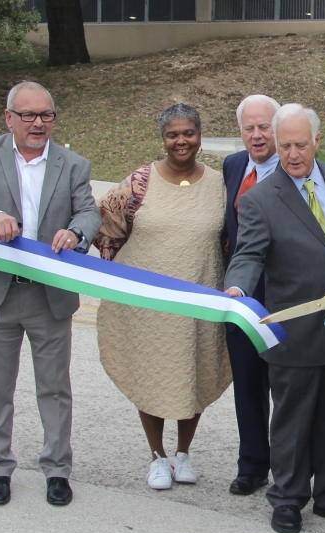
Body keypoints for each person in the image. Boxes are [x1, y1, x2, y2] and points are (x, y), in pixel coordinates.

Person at [224, 103, 325, 533]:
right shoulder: (260, 198)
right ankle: (288, 497)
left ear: (317, 140)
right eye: (285, 146)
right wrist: (238, 289)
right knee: (292, 421)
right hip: (293, 331)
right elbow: (248, 254)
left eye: (300, 144)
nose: (292, 154)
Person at [0, 81, 100, 507]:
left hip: (49, 296)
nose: (39, 124)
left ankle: (57, 469)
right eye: (29, 115)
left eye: (46, 115)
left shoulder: (73, 164)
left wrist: (75, 232)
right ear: (9, 118)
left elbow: (88, 210)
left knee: (54, 388)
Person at [94, 103, 231, 491]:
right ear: (163, 139)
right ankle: (157, 456)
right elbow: (105, 222)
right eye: (173, 134)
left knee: (195, 371)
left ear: (200, 137)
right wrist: (114, 270)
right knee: (151, 373)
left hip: (200, 297)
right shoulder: (139, 181)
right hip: (147, 302)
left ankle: (184, 453)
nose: (181, 141)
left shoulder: (219, 184)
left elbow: (230, 238)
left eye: (188, 133)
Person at [222, 94, 282, 497]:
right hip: (239, 294)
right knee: (246, 384)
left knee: (287, 387)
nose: (257, 135)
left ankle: (293, 469)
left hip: (283, 296)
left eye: (265, 127)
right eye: (249, 127)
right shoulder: (232, 166)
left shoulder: (296, 170)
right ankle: (253, 465)